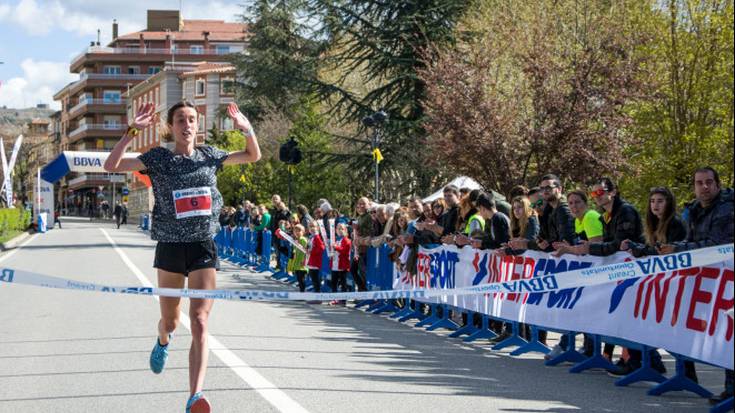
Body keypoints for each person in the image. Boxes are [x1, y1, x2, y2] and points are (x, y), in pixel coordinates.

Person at [103, 100, 261, 412]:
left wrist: (247, 129)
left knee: (200, 320)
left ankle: (195, 396)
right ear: (171, 127)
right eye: (180, 120)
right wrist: (132, 131)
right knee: (172, 321)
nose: (187, 125)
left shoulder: (210, 156)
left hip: (203, 246)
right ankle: (162, 339)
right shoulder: (158, 158)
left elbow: (252, 155)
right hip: (170, 248)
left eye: (191, 120)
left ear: (196, 126)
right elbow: (111, 165)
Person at [662, 167, 733, 404]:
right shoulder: (692, 210)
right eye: (699, 183)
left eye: (709, 182)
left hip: (728, 279)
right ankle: (725, 387)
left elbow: (717, 244)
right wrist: (670, 249)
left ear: (718, 184)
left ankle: (731, 388)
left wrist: (678, 250)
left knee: (728, 330)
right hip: (709, 280)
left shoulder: (727, 207)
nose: (704, 187)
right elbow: (691, 241)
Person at [330, 223, 352, 305]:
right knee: (334, 282)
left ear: (345, 230)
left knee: (343, 283)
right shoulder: (337, 240)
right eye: (338, 229)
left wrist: (335, 247)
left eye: (342, 229)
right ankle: (334, 298)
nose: (340, 230)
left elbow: (344, 251)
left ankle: (343, 300)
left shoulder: (347, 240)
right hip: (335, 264)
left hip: (342, 265)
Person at [290, 224, 309, 293]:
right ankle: (301, 292)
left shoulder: (303, 239)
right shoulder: (296, 240)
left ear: (303, 232)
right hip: (297, 263)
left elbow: (306, 251)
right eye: (295, 231)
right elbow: (295, 251)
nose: (297, 232)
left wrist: (304, 260)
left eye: (299, 231)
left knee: (301, 279)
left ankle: (302, 293)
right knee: (299, 278)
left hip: (302, 262)